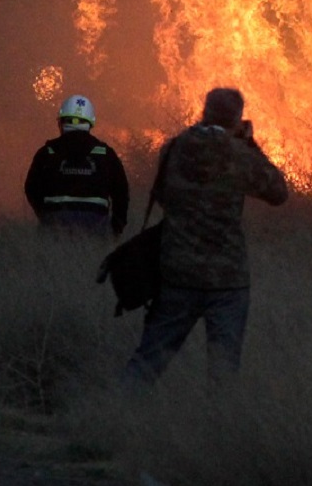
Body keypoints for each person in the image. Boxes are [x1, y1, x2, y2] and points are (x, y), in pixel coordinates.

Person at [122, 87, 288, 387]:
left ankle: (111, 415)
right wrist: (249, 143)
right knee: (223, 371)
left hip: (178, 273)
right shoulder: (238, 154)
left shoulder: (174, 148)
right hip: (227, 280)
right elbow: (278, 192)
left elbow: (161, 195)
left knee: (148, 360)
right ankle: (216, 429)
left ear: (205, 111)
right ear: (237, 119)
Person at [23, 94, 130, 235]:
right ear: (90, 122)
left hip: (54, 226)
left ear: (61, 122)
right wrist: (117, 227)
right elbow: (121, 192)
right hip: (96, 229)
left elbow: (31, 188)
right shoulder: (105, 153)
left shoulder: (47, 152)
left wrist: (45, 215)